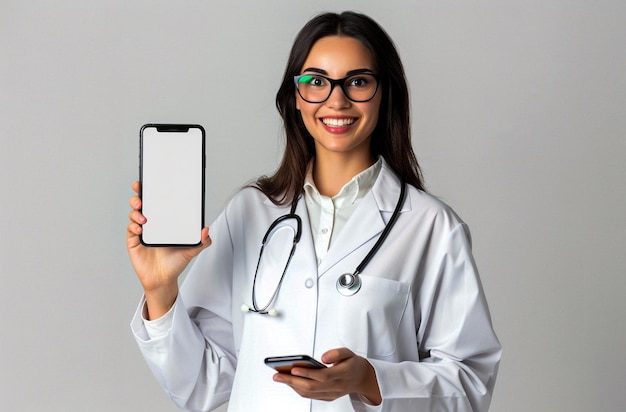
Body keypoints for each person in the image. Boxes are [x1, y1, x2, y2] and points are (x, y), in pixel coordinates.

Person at [128, 11, 501, 412]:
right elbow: (205, 387)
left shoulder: (431, 227)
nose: (336, 100)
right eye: (316, 82)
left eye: (357, 81)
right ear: (295, 98)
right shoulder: (250, 213)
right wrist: (160, 291)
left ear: (383, 94)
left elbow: (470, 385)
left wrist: (371, 380)